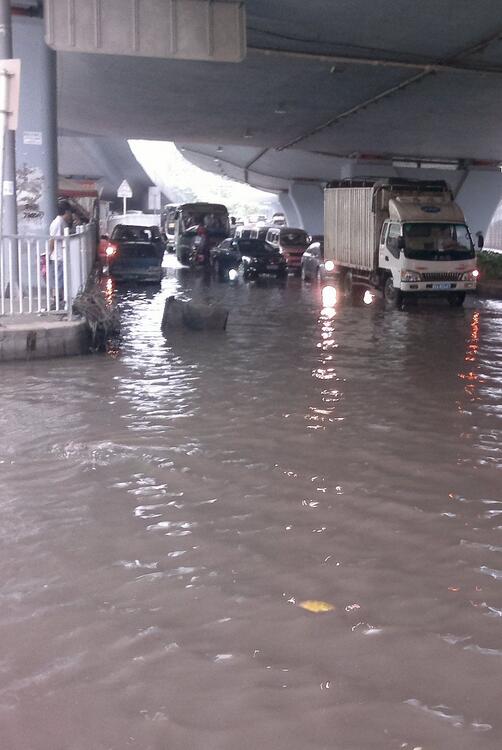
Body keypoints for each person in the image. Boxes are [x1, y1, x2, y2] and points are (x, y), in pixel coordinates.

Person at [49, 201, 73, 303]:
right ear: (66, 212)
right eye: (70, 213)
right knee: (59, 280)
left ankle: (59, 301)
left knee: (60, 279)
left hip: (60, 256)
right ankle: (57, 301)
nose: (71, 215)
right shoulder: (58, 223)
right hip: (58, 256)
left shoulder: (61, 222)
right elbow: (53, 239)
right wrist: (50, 253)